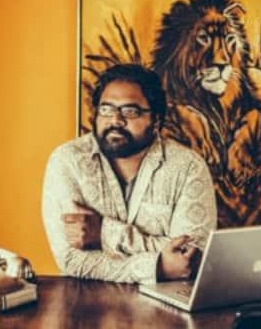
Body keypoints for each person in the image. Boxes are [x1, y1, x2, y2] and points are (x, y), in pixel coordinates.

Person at [42, 64, 217, 284]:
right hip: (86, 301)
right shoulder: (68, 161)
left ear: (156, 120)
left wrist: (105, 233)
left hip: (166, 301)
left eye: (130, 111)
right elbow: (71, 260)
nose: (115, 120)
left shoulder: (188, 167)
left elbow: (190, 256)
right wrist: (158, 268)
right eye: (106, 109)